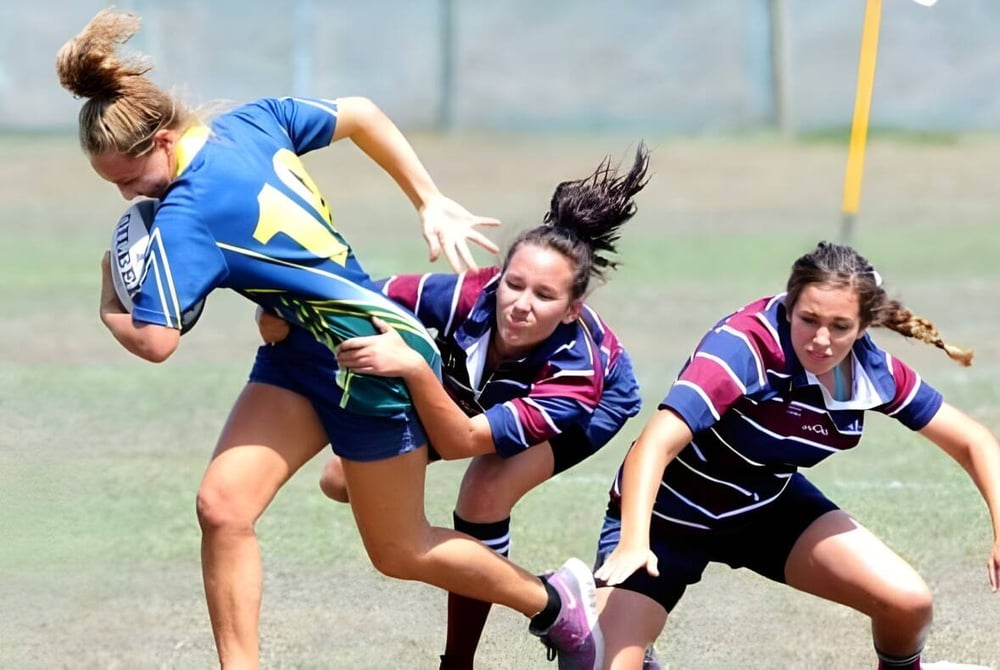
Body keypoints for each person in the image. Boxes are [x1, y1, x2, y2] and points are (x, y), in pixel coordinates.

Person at [57, 8, 605, 670]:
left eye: (127, 179)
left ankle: (554, 602)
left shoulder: (186, 215)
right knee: (223, 507)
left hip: (369, 360)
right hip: (302, 348)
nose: (128, 197)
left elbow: (154, 342)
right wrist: (427, 198)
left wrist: (108, 297)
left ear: (163, 141)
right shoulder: (249, 123)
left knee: (399, 549)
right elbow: (362, 114)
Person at [262, 145, 649, 669]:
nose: (521, 304)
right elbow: (359, 299)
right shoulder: (470, 295)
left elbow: (461, 442)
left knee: (485, 491)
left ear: (571, 310)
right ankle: (585, 618)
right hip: (476, 386)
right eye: (514, 284)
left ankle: (466, 657)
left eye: (544, 296)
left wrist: (415, 369)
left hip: (597, 404)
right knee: (338, 480)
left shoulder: (576, 376)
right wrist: (283, 312)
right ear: (497, 278)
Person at [592, 241, 1000, 670]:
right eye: (809, 320)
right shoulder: (743, 347)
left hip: (765, 506)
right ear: (789, 307)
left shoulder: (870, 372)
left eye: (840, 326)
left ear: (863, 327)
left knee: (908, 603)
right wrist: (634, 541)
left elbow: (973, 441)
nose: (821, 340)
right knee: (606, 663)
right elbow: (654, 444)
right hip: (665, 518)